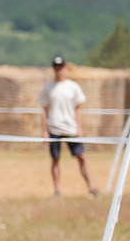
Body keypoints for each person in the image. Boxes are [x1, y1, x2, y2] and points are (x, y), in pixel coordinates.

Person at [40, 55, 96, 197]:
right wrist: (45, 132)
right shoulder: (48, 88)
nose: (58, 70)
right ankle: (57, 189)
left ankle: (91, 187)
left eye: (60, 67)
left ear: (65, 68)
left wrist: (79, 128)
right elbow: (43, 110)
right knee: (55, 159)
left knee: (81, 156)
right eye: (55, 67)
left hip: (70, 128)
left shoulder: (73, 86)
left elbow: (78, 108)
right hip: (54, 128)